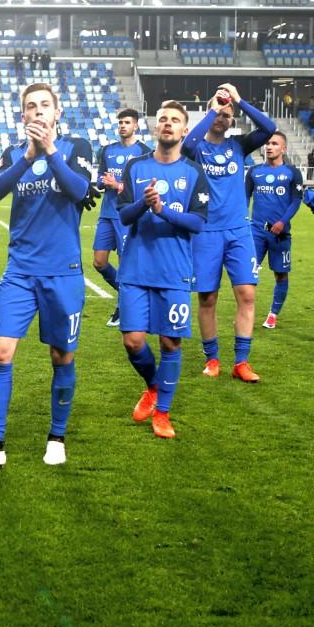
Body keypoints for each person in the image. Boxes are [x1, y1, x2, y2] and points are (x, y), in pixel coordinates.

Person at [0, 83, 92, 470]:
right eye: (31, 106)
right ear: (23, 115)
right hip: (20, 271)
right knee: (0, 350)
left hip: (62, 272)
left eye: (45, 105)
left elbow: (80, 190)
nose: (38, 111)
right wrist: (30, 155)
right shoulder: (14, 154)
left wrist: (49, 150)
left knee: (61, 355)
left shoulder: (76, 148)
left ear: (57, 112)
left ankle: (57, 437)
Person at [117, 101, 211, 439]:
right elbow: (124, 216)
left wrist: (161, 210)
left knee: (170, 343)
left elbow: (197, 223)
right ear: (155, 127)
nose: (168, 124)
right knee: (133, 341)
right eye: (163, 119)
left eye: (175, 120)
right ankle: (154, 386)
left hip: (174, 271)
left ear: (184, 130)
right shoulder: (135, 167)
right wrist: (144, 203)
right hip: (136, 269)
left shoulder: (194, 173)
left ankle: (163, 413)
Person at [181, 83, 276, 383]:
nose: (222, 116)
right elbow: (186, 144)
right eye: (218, 111)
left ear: (233, 119)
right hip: (206, 232)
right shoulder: (197, 148)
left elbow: (269, 127)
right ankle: (212, 359)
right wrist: (213, 110)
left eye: (227, 113)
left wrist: (239, 100)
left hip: (238, 231)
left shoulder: (239, 146)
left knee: (247, 294)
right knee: (207, 298)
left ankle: (241, 362)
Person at [91, 108, 152, 327]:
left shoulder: (144, 152)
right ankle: (126, 294)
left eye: (127, 122)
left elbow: (144, 188)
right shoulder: (107, 150)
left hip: (127, 215)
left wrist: (117, 185)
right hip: (107, 214)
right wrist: (103, 182)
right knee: (99, 262)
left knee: (125, 264)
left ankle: (122, 307)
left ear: (136, 125)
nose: (123, 126)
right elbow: (100, 179)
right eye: (120, 123)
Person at [247, 132, 304, 330]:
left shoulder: (292, 172)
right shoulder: (254, 172)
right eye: (267, 143)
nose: (269, 147)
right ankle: (246, 312)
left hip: (280, 233)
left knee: (280, 274)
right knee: (247, 273)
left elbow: (296, 200)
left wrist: (283, 221)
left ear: (283, 149)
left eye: (274, 143)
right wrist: (243, 219)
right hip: (255, 231)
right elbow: (244, 197)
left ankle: (273, 314)